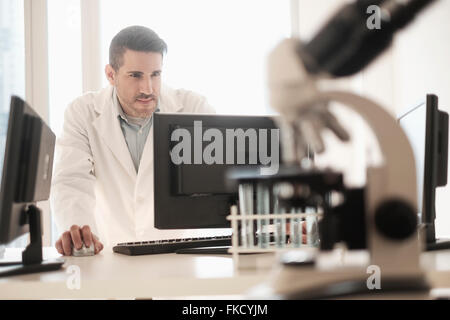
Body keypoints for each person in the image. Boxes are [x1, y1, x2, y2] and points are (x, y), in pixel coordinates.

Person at [51, 26, 217, 256]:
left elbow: (219, 180)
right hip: (111, 254)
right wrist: (79, 230)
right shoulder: (83, 113)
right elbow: (71, 180)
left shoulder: (194, 108)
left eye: (155, 75)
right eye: (135, 75)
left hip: (178, 256)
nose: (147, 88)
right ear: (111, 74)